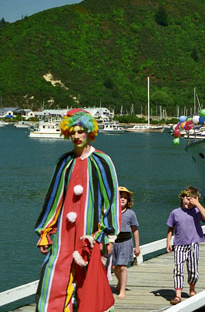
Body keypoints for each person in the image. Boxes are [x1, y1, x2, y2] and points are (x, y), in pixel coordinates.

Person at [34, 109, 119, 312]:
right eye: (72, 132)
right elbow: (53, 197)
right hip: (64, 231)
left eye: (81, 132)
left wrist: (108, 235)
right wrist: (45, 231)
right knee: (53, 275)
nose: (76, 136)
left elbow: (111, 199)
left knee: (89, 283)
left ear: (89, 132)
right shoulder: (64, 161)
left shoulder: (102, 161)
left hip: (89, 232)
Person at [166, 186, 205, 305]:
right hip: (180, 244)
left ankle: (192, 288)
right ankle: (178, 295)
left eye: (192, 199)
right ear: (182, 198)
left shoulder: (196, 211)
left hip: (193, 243)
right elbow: (170, 228)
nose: (188, 201)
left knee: (193, 270)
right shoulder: (175, 213)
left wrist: (198, 204)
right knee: (178, 268)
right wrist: (168, 242)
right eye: (187, 198)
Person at [113, 186, 140, 299]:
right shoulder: (112, 212)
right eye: (120, 197)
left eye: (124, 197)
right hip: (114, 241)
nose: (122, 199)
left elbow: (135, 230)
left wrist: (137, 247)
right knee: (114, 267)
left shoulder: (130, 213)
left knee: (123, 267)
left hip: (125, 241)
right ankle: (120, 282)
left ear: (128, 200)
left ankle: (122, 290)